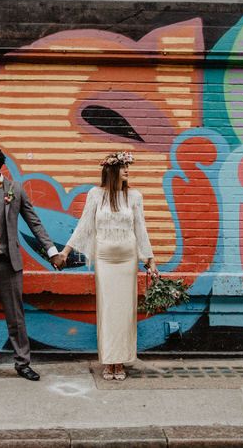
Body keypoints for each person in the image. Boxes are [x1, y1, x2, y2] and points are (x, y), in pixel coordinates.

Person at [0, 144, 66, 383]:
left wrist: (52, 251)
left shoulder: (15, 190)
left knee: (16, 316)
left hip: (10, 265)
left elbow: (34, 223)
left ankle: (22, 363)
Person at [59, 151, 158, 381]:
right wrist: (65, 252)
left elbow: (140, 228)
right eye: (123, 167)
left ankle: (120, 361)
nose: (127, 170)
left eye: (127, 167)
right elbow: (83, 226)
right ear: (111, 170)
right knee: (108, 310)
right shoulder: (95, 195)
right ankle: (109, 360)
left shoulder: (134, 196)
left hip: (128, 259)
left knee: (125, 312)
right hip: (105, 260)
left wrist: (150, 260)